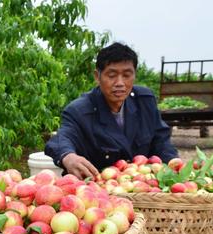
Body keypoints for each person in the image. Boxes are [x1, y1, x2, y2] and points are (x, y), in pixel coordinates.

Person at [45, 42, 178, 179]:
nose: (120, 83)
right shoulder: (79, 111)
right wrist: (68, 156)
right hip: (97, 190)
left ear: (134, 75)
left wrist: (173, 167)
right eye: (112, 75)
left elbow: (161, 141)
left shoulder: (144, 101)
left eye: (127, 75)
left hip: (142, 186)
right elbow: (62, 138)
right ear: (97, 76)